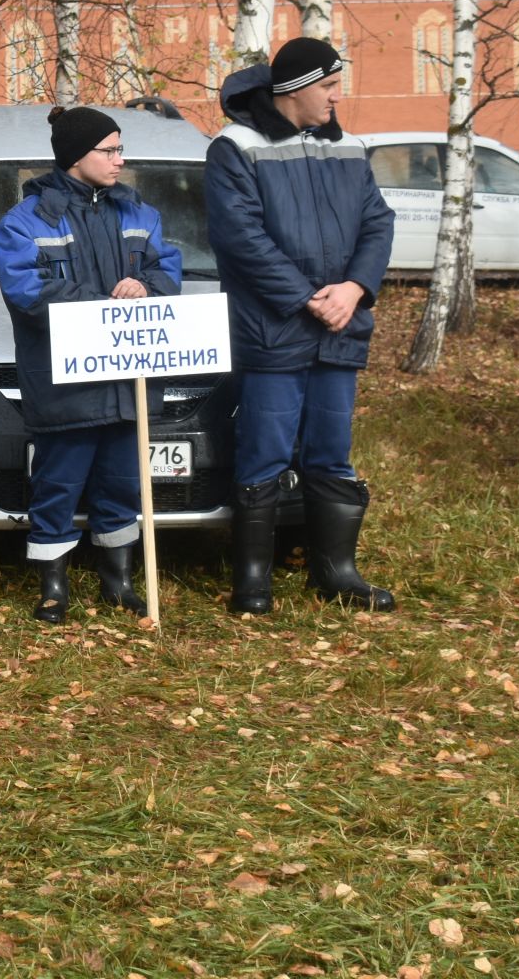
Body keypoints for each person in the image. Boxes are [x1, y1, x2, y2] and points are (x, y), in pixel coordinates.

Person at [208, 37, 396, 614]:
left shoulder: (349, 149)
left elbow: (377, 223)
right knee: (263, 452)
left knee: (331, 452)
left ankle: (336, 572)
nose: (338, 97)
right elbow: (240, 239)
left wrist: (355, 288)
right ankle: (253, 582)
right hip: (273, 331)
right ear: (294, 91)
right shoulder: (234, 148)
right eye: (329, 86)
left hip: (339, 329)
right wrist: (307, 297)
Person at [0, 106, 183, 623]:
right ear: (78, 156)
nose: (120, 160)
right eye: (110, 150)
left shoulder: (139, 213)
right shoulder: (27, 221)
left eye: (120, 149)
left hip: (128, 385)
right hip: (64, 389)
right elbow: (27, 292)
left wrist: (144, 286)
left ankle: (117, 581)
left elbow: (168, 268)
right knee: (57, 487)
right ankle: (53, 587)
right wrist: (103, 303)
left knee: (122, 484)